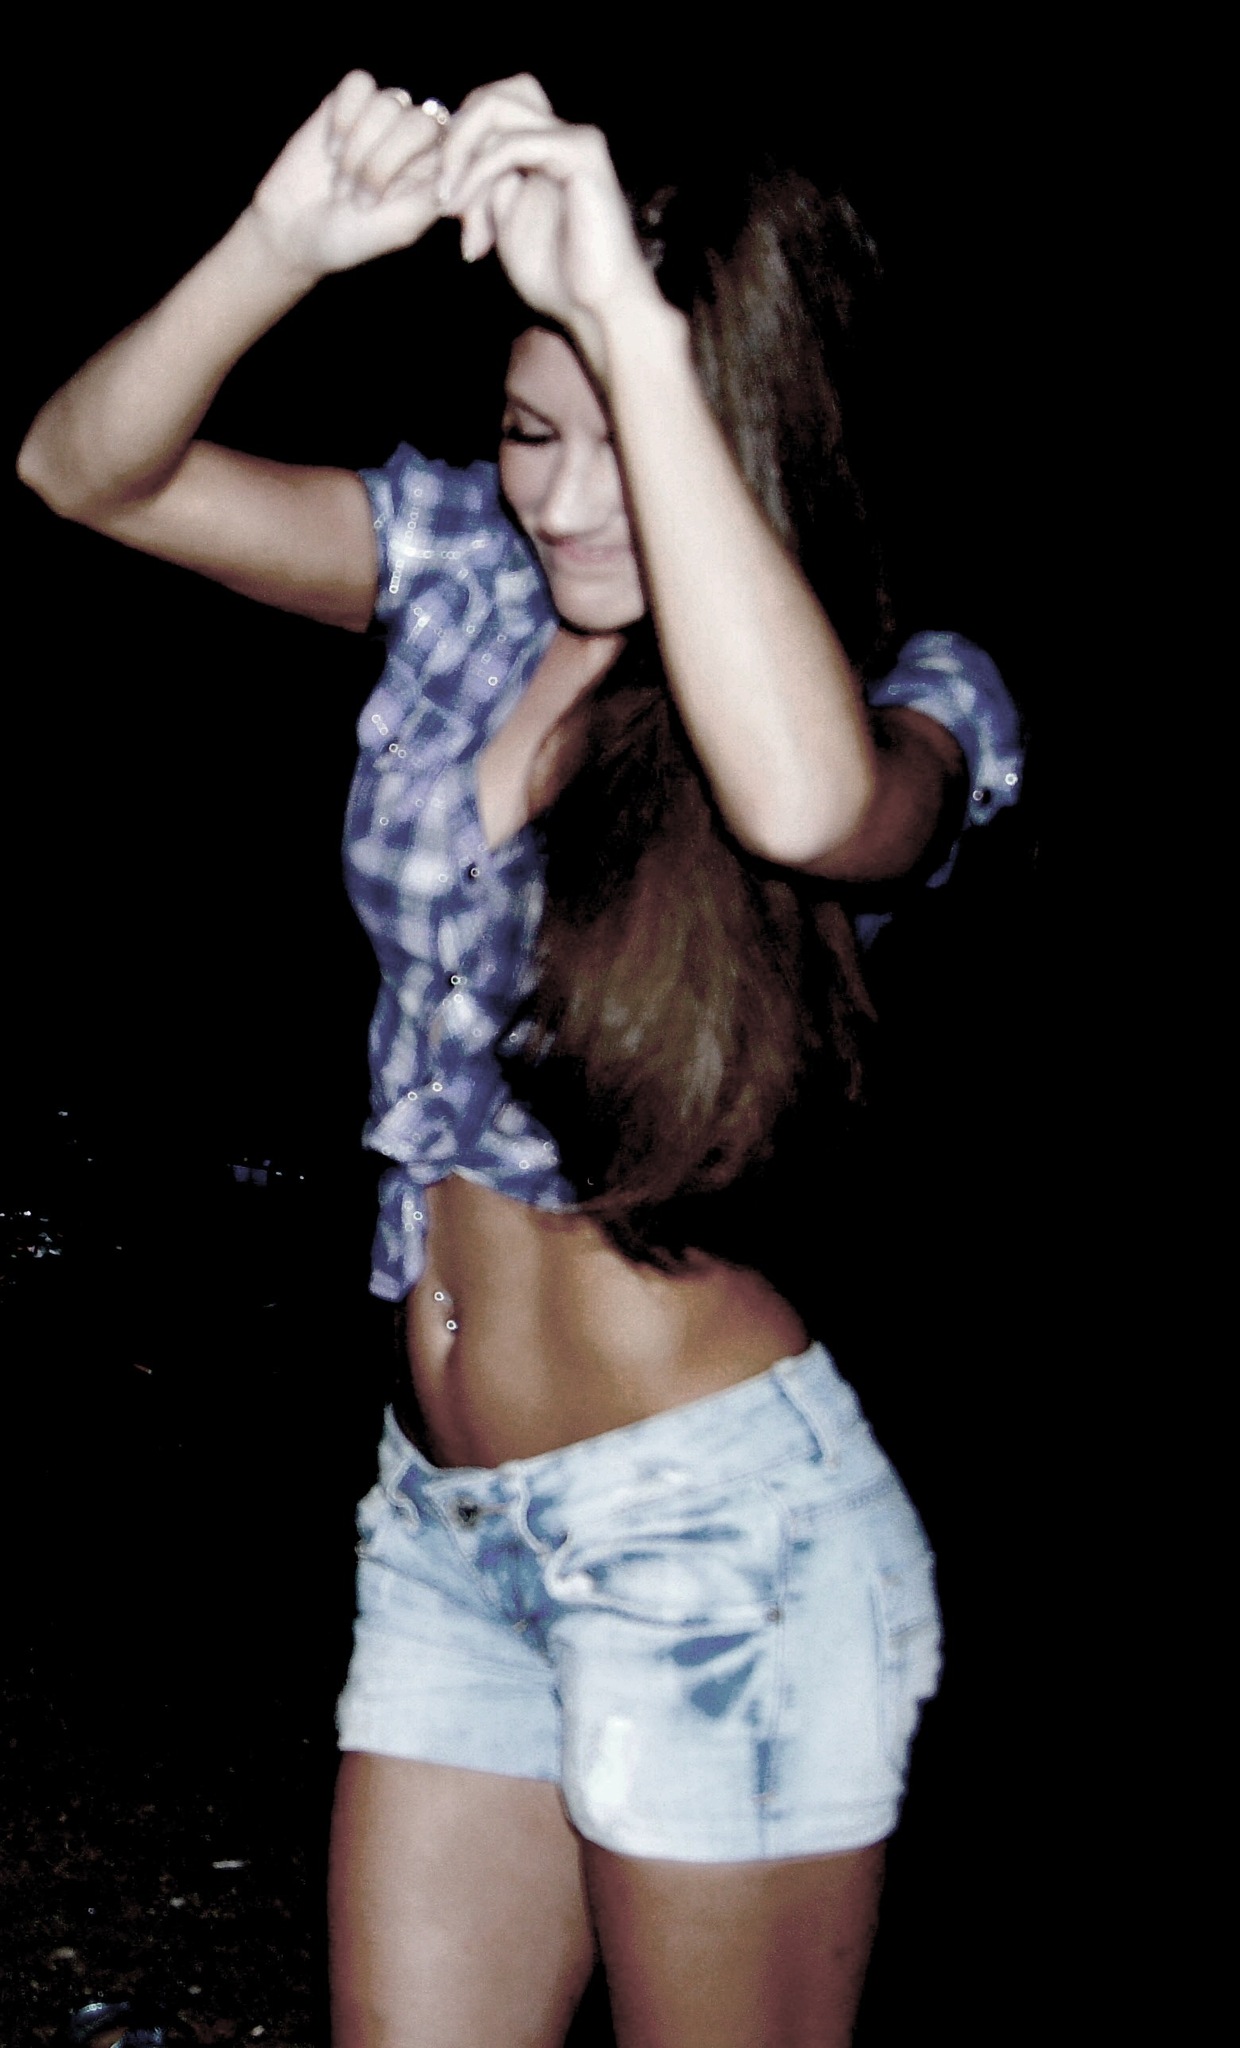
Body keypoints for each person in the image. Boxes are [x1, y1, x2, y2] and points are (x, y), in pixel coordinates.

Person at [19, 70, 1023, 2048]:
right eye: (528, 430)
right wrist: (280, 246)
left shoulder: (901, 695)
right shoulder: (471, 578)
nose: (560, 499)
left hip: (715, 1543)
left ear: (744, 428)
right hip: (444, 1521)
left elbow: (810, 805)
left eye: (624, 441)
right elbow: (85, 472)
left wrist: (638, 329)